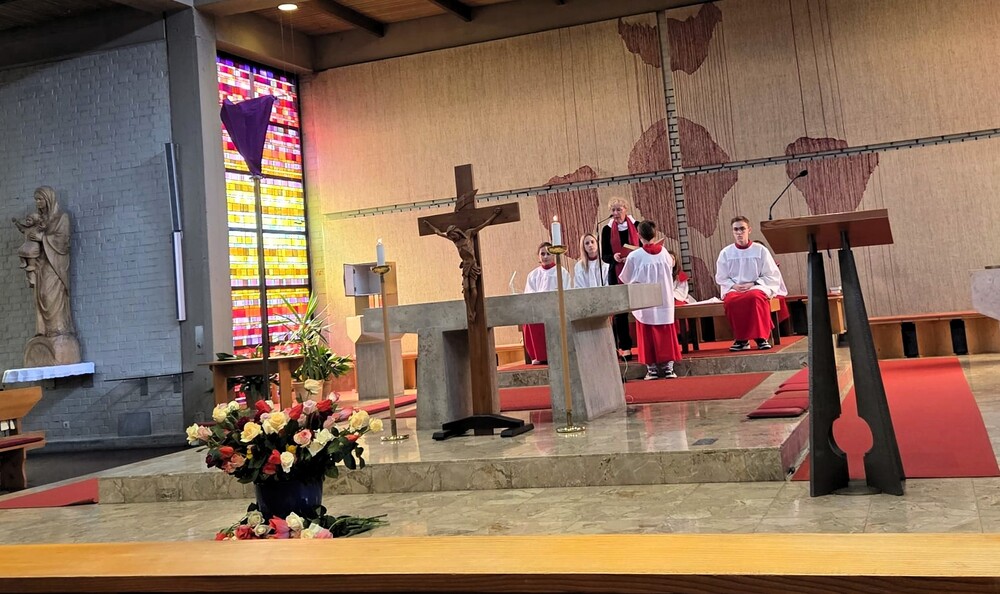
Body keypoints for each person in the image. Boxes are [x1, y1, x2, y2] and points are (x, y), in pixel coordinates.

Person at [619, 220, 681, 379]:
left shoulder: (635, 256)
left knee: (647, 334)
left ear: (638, 235)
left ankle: (652, 369)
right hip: (664, 299)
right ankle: (668, 368)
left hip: (645, 301)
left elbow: (625, 278)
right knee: (666, 334)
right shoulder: (665, 253)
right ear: (655, 234)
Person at [715, 216, 783, 351]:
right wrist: (734, 285)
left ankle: (761, 338)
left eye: (742, 229)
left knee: (755, 297)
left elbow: (771, 274)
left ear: (749, 230)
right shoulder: (726, 253)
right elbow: (721, 277)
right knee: (731, 301)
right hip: (735, 288)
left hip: (757, 286)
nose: (739, 232)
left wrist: (754, 283)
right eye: (736, 229)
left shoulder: (760, 250)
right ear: (732, 231)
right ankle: (741, 339)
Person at [23, 186, 75, 338]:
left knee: (50, 295)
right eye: (36, 200)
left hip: (54, 265)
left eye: (40, 199)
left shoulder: (62, 218)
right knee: (41, 295)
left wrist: (42, 238)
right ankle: (44, 330)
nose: (38, 202)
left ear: (48, 199)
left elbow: (63, 241)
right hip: (41, 263)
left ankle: (58, 329)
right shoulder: (39, 219)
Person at [600, 197, 639, 359]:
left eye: (619, 209)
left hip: (636, 273)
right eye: (613, 210)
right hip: (616, 273)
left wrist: (632, 256)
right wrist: (614, 257)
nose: (615, 213)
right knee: (620, 312)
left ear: (626, 210)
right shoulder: (606, 229)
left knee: (641, 307)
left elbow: (643, 248)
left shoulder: (637, 226)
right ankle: (625, 347)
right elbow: (605, 256)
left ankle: (645, 345)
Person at [523, 242, 571, 364]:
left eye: (548, 253)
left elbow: (567, 292)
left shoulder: (561, 272)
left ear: (553, 255)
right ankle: (539, 356)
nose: (545, 256)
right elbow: (529, 295)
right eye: (542, 254)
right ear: (538, 256)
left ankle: (558, 353)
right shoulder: (533, 275)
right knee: (530, 319)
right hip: (538, 310)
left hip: (556, 309)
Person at [12, 211, 46, 287]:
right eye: (26, 220)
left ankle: (32, 276)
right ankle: (23, 262)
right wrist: (16, 223)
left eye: (29, 220)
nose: (27, 222)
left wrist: (40, 238)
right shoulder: (26, 229)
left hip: (33, 246)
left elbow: (44, 229)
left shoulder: (37, 228)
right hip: (27, 245)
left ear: (35, 221)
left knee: (30, 256)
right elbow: (21, 228)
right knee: (20, 250)